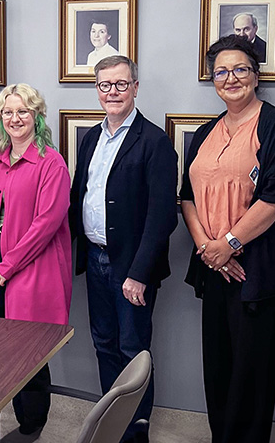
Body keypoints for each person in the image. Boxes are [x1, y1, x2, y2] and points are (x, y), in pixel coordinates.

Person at [180, 35, 275, 443]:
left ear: (256, 76)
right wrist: (209, 249)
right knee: (218, 368)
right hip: (214, 268)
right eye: (221, 71)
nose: (230, 77)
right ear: (212, 79)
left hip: (259, 271)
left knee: (252, 376)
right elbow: (186, 197)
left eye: (240, 69)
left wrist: (229, 244)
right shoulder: (205, 132)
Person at [70, 55, 178, 443]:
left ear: (135, 86)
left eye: (120, 84)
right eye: (104, 85)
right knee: (103, 344)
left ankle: (135, 433)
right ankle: (110, 426)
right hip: (96, 259)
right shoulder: (91, 138)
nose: (112, 92)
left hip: (130, 267)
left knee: (134, 351)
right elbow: (79, 196)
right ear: (96, 90)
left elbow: (163, 216)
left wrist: (138, 273)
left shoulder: (154, 141)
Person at [0, 83, 71, 438]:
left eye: (23, 111)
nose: (15, 119)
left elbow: (46, 224)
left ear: (36, 115)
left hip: (32, 273)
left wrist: (5, 267)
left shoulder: (51, 163)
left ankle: (30, 428)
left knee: (28, 356)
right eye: (8, 112)